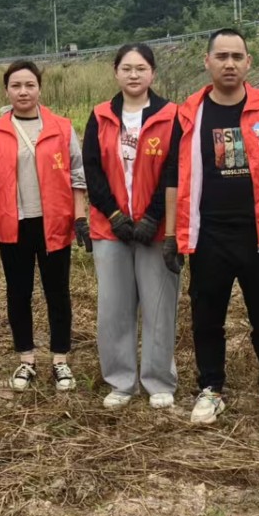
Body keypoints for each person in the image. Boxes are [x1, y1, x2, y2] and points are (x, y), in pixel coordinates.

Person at [162, 28, 259, 429]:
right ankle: (211, 388)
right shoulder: (188, 112)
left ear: (248, 63)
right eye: (221, 56)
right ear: (206, 62)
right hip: (208, 235)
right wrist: (172, 234)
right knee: (207, 317)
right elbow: (174, 175)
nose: (229, 64)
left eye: (236, 57)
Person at [0, 59, 90, 393]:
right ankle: (26, 358)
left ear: (39, 88)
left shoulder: (62, 127)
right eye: (16, 86)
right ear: (6, 90)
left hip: (54, 222)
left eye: (29, 85)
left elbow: (77, 176)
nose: (23, 91)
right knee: (18, 292)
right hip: (14, 223)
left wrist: (80, 217)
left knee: (58, 292)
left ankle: (60, 360)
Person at [81, 43, 180, 409]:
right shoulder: (100, 114)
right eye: (127, 68)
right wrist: (114, 215)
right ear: (116, 72)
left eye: (141, 68)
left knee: (158, 305)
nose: (134, 75)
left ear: (152, 73)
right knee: (114, 307)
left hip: (157, 229)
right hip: (111, 229)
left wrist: (154, 216)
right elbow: (91, 168)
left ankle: (159, 381)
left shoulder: (172, 115)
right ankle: (121, 381)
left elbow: (174, 170)